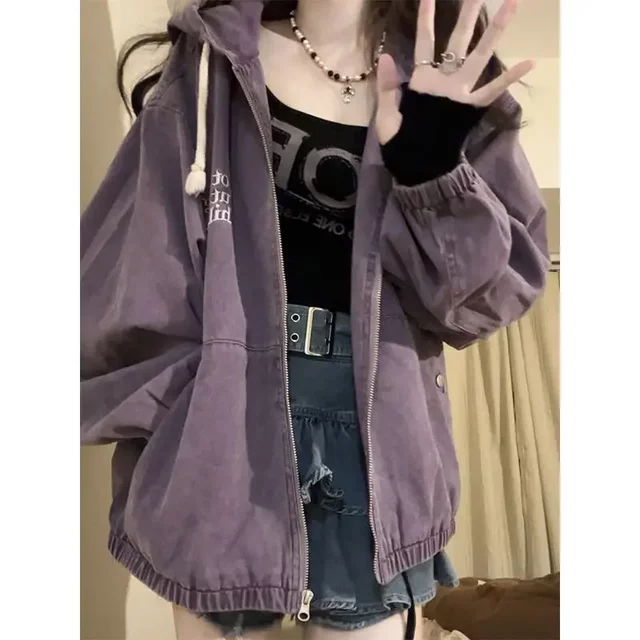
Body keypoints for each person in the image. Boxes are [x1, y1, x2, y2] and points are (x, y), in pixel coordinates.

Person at [80, 0, 549, 638]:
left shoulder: (443, 77)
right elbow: (138, 268)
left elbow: (478, 304)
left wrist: (434, 175)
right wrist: (184, 411)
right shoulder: (211, 65)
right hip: (224, 422)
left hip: (378, 432)